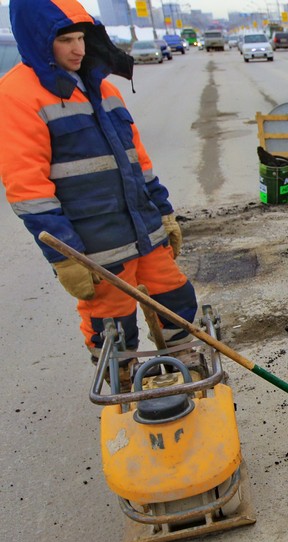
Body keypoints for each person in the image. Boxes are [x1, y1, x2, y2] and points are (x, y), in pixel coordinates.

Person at [0, 0, 198, 373]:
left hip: (145, 229)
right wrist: (66, 256)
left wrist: (164, 212)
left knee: (176, 298)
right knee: (112, 324)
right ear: (40, 43)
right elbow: (28, 190)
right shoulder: (17, 96)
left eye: (82, 38)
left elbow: (139, 162)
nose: (79, 49)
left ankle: (185, 367)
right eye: (67, 41)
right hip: (96, 244)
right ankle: (123, 381)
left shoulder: (104, 90)